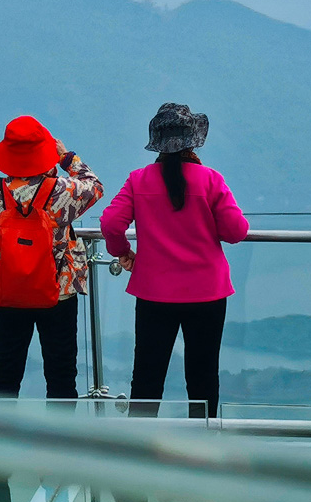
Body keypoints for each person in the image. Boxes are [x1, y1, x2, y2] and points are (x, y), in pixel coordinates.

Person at [100, 103, 248, 419]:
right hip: (207, 292)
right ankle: (202, 444)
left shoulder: (138, 180)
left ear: (157, 143)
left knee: (147, 376)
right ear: (193, 141)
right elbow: (236, 231)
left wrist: (122, 252)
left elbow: (111, 223)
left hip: (154, 293)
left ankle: (140, 445)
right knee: (203, 376)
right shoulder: (211, 180)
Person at [0, 114, 103, 400]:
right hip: (58, 291)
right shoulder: (63, 191)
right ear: (44, 154)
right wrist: (66, 158)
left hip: (7, 289)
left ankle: (2, 429)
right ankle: (59, 430)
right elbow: (94, 185)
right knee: (61, 373)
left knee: (6, 371)